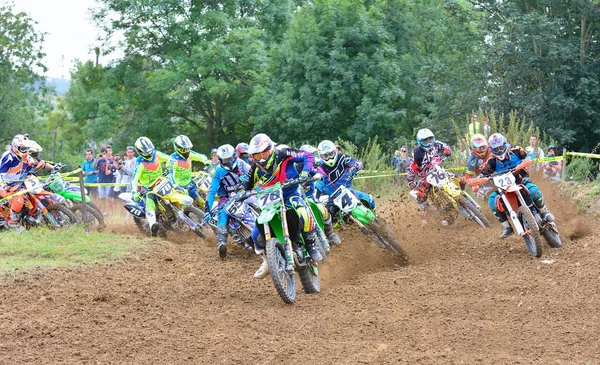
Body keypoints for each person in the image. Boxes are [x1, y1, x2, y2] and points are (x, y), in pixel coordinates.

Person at [244, 133, 320, 279]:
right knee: (255, 236)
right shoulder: (255, 168)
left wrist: (304, 172)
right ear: (253, 157)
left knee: (303, 212)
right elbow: (246, 186)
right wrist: (241, 194)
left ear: (271, 149)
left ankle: (310, 244)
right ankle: (268, 261)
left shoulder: (282, 153)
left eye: (264, 153)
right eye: (257, 156)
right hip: (271, 201)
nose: (262, 158)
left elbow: (307, 156)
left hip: (290, 193)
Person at [472, 133, 554, 238]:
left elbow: (529, 154)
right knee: (492, 200)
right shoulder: (492, 161)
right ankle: (506, 226)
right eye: (495, 149)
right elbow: (483, 173)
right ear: (491, 149)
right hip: (504, 187)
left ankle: (544, 212)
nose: (499, 150)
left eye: (500, 147)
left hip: (521, 179)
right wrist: (476, 181)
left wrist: (528, 159)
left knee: (533, 190)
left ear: (505, 144)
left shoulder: (515, 150)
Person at [204, 144, 251, 258]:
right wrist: (207, 209)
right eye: (225, 160)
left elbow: (254, 172)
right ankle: (222, 243)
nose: (228, 162)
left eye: (229, 159)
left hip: (244, 191)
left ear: (234, 156)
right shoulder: (218, 172)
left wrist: (250, 179)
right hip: (226, 197)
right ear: (220, 160)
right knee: (223, 214)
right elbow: (212, 191)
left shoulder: (241, 163)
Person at [298, 144, 340, 246]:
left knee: (322, 209)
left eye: (313, 154)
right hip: (298, 200)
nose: (312, 157)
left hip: (311, 197)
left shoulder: (312, 167)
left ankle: (330, 233)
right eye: (310, 155)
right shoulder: (295, 168)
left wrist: (319, 176)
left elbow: (319, 173)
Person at [315, 139, 375, 210]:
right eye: (325, 156)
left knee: (370, 200)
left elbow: (358, 162)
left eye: (331, 154)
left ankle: (376, 217)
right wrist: (316, 200)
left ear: (335, 151)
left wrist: (355, 168)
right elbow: (318, 185)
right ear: (320, 156)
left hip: (347, 191)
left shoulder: (342, 158)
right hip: (333, 198)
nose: (329, 158)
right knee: (329, 213)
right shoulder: (320, 168)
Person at [130, 137, 171, 237]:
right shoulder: (140, 162)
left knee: (180, 189)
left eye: (150, 150)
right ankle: (153, 225)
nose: (149, 153)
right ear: (140, 152)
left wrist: (170, 164)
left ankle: (190, 211)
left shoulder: (157, 154)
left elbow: (170, 159)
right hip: (150, 188)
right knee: (149, 201)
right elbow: (134, 180)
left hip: (163, 182)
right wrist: (134, 192)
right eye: (146, 152)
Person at [407, 128, 452, 210]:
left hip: (439, 171)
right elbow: (411, 168)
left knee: (460, 180)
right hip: (426, 177)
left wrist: (447, 151)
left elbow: (446, 147)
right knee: (421, 194)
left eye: (430, 140)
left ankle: (463, 197)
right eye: (425, 141)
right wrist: (411, 182)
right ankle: (426, 212)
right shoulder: (416, 153)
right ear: (420, 142)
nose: (429, 143)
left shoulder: (436, 143)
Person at [0, 134, 34, 230]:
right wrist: (3, 186)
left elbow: (31, 164)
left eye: (26, 148)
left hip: (17, 184)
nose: (25, 150)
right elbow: (1, 173)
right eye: (22, 148)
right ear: (15, 147)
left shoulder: (24, 156)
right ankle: (13, 222)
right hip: (6, 185)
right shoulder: (8, 157)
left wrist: (35, 166)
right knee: (19, 200)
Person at [166, 135, 211, 202]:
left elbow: (200, 156)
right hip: (179, 186)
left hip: (190, 182)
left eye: (188, 149)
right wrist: (175, 186)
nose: (186, 151)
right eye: (184, 149)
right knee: (184, 206)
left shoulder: (189, 153)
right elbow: (170, 174)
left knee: (201, 200)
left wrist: (207, 162)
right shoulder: (172, 159)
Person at [464, 134, 493, 200]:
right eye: (479, 148)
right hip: (484, 179)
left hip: (498, 173)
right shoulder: (473, 159)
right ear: (474, 148)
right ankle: (489, 207)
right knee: (478, 192)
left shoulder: (492, 150)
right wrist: (473, 184)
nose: (481, 150)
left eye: (483, 147)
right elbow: (468, 174)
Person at [93, 147, 115, 215]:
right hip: (101, 180)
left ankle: (109, 211)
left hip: (108, 181)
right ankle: (103, 211)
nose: (104, 154)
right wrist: (96, 159)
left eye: (105, 153)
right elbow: (94, 166)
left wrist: (106, 160)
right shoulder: (99, 160)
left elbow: (110, 167)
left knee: (108, 198)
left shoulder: (110, 160)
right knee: (102, 197)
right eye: (102, 153)